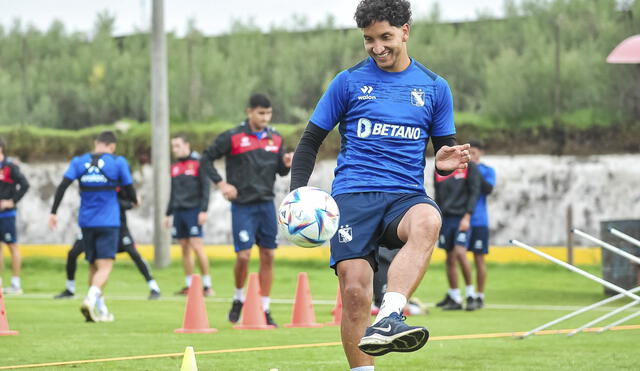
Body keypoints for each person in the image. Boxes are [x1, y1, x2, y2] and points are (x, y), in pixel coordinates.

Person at [288, 0, 472, 368]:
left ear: (405, 31)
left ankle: (390, 315)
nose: (377, 47)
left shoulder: (435, 88)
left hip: (405, 196)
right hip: (353, 197)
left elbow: (444, 153)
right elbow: (310, 141)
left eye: (385, 37)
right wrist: (297, 192)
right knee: (355, 293)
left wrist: (445, 164)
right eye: (368, 39)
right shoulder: (348, 81)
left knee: (429, 221)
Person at [200, 93, 293, 327]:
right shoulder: (233, 136)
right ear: (249, 112)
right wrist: (222, 184)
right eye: (261, 113)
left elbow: (280, 172)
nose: (265, 117)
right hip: (243, 206)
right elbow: (206, 159)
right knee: (243, 256)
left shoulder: (276, 138)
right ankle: (238, 297)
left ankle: (265, 307)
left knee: (268, 255)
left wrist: (286, 164)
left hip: (266, 205)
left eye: (269, 113)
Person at [49, 131, 137, 322]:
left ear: (96, 143)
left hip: (86, 222)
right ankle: (90, 299)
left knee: (93, 265)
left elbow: (62, 186)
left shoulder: (78, 162)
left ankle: (101, 309)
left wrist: (54, 212)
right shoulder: (118, 162)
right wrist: (135, 201)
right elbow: (129, 188)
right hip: (108, 221)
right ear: (112, 146)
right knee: (105, 267)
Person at [54, 188, 161, 300]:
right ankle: (71, 290)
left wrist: (132, 202)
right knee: (74, 254)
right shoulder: (93, 181)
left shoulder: (120, 183)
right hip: (92, 226)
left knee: (134, 254)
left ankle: (154, 287)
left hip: (118, 228)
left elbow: (129, 200)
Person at [164, 134, 213, 296]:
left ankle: (207, 285)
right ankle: (189, 285)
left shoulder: (199, 163)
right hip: (179, 211)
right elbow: (173, 192)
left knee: (196, 245)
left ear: (187, 145)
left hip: (194, 210)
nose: (174, 149)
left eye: (177, 146)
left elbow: (206, 188)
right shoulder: (175, 167)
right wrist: (168, 213)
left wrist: (204, 210)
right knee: (184, 247)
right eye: (173, 146)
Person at [433, 154, 482, 311]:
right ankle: (455, 297)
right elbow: (438, 195)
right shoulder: (439, 169)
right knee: (449, 257)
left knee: (460, 252)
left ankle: (471, 295)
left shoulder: (469, 166)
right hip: (446, 218)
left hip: (462, 217)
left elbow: (475, 192)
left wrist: (467, 216)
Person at [468, 140, 496, 309]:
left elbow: (487, 189)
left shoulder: (487, 170)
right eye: (469, 152)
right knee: (458, 256)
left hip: (479, 220)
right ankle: (466, 294)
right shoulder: (462, 170)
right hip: (461, 219)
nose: (471, 156)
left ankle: (480, 295)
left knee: (479, 259)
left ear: (481, 153)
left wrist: (475, 169)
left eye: (474, 153)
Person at [0, 139, 30, 295]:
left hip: (7, 215)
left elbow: (25, 184)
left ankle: (15, 284)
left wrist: (12, 201)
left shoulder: (10, 167)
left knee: (12, 246)